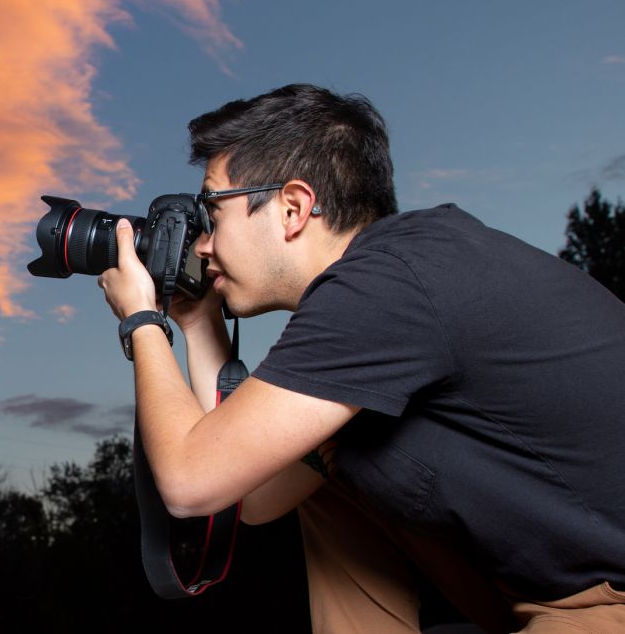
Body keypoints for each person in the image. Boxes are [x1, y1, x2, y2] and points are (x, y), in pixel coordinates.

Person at [98, 83, 625, 633]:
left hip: (608, 601)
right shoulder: (395, 276)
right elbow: (250, 495)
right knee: (323, 467)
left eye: (213, 210)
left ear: (293, 208)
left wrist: (141, 320)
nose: (203, 245)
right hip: (543, 591)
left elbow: (188, 484)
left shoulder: (387, 287)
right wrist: (196, 321)